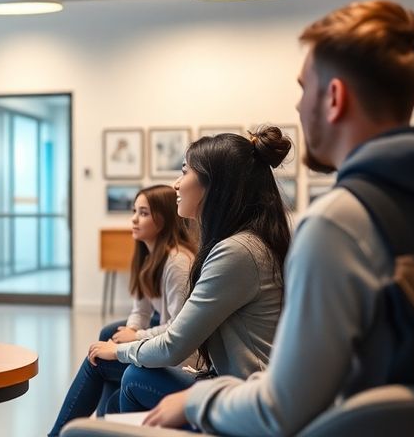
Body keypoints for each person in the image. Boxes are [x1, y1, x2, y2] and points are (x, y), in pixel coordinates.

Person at [143, 0, 414, 435]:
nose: (299, 105)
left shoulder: (338, 225)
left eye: (303, 87)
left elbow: (279, 410)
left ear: (334, 98)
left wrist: (199, 398)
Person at [96, 127, 291, 418]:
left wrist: (120, 351)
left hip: (248, 400)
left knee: (133, 376)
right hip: (238, 385)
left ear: (213, 186)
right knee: (115, 399)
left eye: (185, 172)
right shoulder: (246, 243)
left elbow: (174, 345)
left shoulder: (238, 251)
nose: (176, 183)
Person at [48, 185, 196, 436]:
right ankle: (107, 419)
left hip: (182, 358)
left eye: (143, 213)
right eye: (134, 211)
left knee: (96, 361)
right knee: (111, 333)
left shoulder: (178, 263)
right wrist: (131, 329)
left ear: (163, 219)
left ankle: (61, 433)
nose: (134, 219)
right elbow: (141, 310)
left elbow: (177, 329)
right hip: (166, 338)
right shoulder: (148, 256)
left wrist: (134, 337)